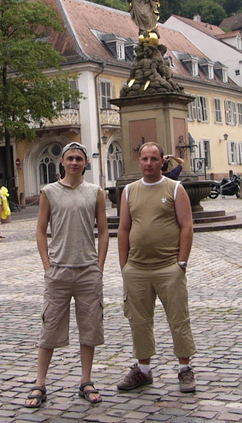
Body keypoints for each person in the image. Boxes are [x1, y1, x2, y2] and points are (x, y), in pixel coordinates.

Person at [25, 141, 109, 408]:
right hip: (59, 270)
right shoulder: (49, 191)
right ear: (62, 162)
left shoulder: (95, 192)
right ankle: (40, 383)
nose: (74, 162)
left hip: (87, 270)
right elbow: (40, 229)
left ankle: (86, 380)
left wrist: (100, 264)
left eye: (79, 158)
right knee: (49, 328)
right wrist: (46, 264)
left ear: (86, 162)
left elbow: (104, 230)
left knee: (90, 328)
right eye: (70, 158)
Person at [117, 142, 197, 394]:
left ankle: (184, 369)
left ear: (163, 161)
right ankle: (143, 369)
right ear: (138, 161)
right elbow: (124, 229)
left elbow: (187, 226)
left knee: (178, 319)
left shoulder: (175, 188)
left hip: (168, 267)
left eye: (154, 159)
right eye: (144, 159)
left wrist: (181, 263)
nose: (149, 163)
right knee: (139, 321)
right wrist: (124, 266)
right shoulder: (129, 191)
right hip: (137, 269)